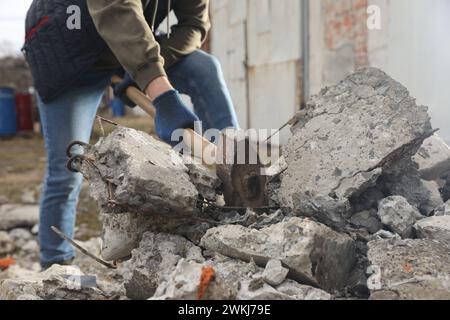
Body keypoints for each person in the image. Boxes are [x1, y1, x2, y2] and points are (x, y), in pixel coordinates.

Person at [23, 0, 239, 268]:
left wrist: (146, 71)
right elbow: (117, 8)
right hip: (68, 47)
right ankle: (56, 267)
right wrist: (163, 96)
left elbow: (193, 24)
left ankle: (238, 171)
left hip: (127, 45)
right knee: (67, 166)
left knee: (203, 66)